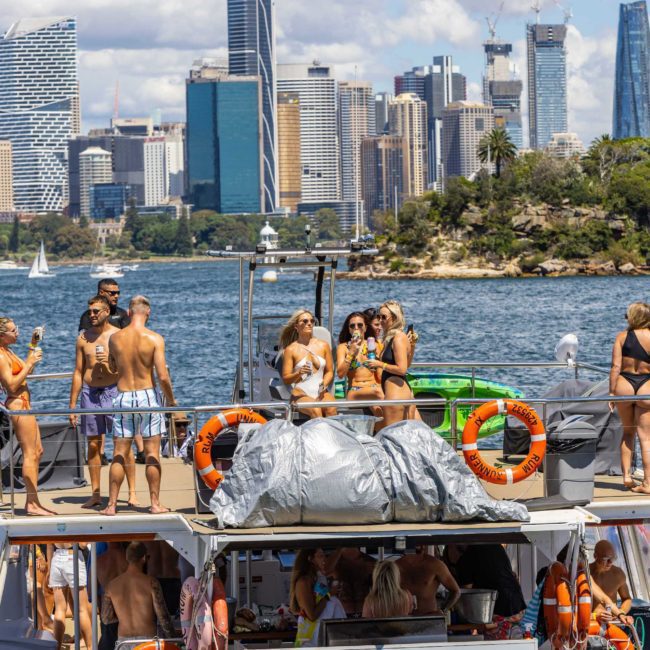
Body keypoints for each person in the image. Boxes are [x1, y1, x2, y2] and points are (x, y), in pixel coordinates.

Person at [101, 295, 178, 516]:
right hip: (147, 396)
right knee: (152, 452)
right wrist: (171, 401)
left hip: (123, 395)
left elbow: (113, 368)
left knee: (119, 452)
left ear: (128, 312)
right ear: (149, 313)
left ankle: (111, 505)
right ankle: (155, 504)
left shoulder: (115, 339)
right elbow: (162, 376)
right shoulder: (155, 338)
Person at [70, 295, 138, 509]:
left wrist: (109, 367)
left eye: (96, 311)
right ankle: (96, 493)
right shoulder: (83, 338)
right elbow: (78, 372)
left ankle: (132, 492)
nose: (91, 315)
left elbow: (128, 369)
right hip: (90, 394)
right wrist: (72, 405)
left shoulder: (118, 336)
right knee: (93, 444)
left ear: (107, 312)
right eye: (90, 312)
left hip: (113, 391)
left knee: (123, 444)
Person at [0, 318, 55, 516]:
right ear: (2, 335)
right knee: (30, 454)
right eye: (14, 330)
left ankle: (35, 501)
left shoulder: (8, 351)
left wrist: (33, 344)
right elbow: (11, 385)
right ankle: (31, 504)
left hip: (25, 404)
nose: (17, 332)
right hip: (17, 404)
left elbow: (25, 371)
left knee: (37, 451)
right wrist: (30, 362)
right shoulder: (0, 355)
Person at [101, 542, 175, 649]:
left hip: (124, 642)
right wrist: (173, 639)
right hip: (147, 642)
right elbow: (163, 617)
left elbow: (106, 618)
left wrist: (123, 617)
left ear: (127, 558)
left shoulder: (111, 585)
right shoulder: (151, 582)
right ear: (144, 558)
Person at [610, 301, 650, 491]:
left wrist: (611, 392)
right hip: (646, 386)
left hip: (624, 385)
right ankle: (648, 483)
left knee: (627, 432)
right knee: (646, 438)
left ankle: (626, 476)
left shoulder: (621, 337)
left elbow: (616, 367)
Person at [366, 301, 419, 429]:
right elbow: (407, 363)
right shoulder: (392, 337)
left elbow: (402, 369)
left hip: (396, 390)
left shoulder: (398, 338)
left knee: (392, 434)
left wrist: (380, 364)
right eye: (379, 317)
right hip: (397, 389)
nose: (380, 320)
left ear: (394, 318)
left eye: (384, 317)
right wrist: (412, 347)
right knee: (403, 434)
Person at [281, 310, 337, 419]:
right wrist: (299, 373)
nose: (309, 323)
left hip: (320, 390)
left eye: (312, 321)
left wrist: (324, 385)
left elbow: (329, 371)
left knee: (331, 408)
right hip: (300, 394)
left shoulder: (323, 345)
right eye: (305, 321)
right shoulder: (291, 349)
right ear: (296, 326)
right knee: (316, 410)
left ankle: (332, 435)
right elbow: (286, 378)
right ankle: (317, 436)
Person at [290, 548, 346, 647]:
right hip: (308, 641)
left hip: (321, 639)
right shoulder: (303, 582)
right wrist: (328, 595)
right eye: (320, 556)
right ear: (310, 559)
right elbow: (312, 615)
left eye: (324, 555)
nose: (324, 559)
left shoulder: (318, 579)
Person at [47, 543, 93, 650]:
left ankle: (57, 646)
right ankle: (90, 647)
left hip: (56, 557)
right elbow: (82, 545)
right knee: (82, 610)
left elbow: (49, 546)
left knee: (59, 609)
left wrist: (49, 569)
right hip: (73, 556)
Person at [336, 312, 383, 415]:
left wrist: (377, 360)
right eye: (352, 326)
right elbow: (340, 374)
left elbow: (380, 376)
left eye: (360, 325)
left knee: (379, 411)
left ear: (365, 328)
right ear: (349, 329)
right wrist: (351, 353)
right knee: (379, 393)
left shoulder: (374, 345)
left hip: (373, 387)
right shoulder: (343, 347)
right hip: (355, 389)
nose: (356, 328)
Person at [396, 547, 461, 616]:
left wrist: (443, 610)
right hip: (403, 618)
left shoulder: (436, 565)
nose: (420, 546)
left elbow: (456, 591)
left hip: (429, 617)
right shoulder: (396, 566)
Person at [590, 540, 634, 627]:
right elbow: (603, 598)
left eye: (613, 558)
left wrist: (622, 612)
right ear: (595, 556)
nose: (610, 562)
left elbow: (627, 599)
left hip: (613, 623)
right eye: (606, 559)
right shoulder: (586, 574)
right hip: (591, 622)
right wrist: (594, 616)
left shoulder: (618, 574)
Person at [325, 548, 376, 617]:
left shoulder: (369, 561)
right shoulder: (333, 563)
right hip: (341, 613)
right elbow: (325, 571)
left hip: (364, 611)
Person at [97, 542, 128, 650]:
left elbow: (92, 591)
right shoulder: (130, 559)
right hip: (127, 609)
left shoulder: (98, 561)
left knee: (107, 645)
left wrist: (100, 609)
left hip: (108, 609)